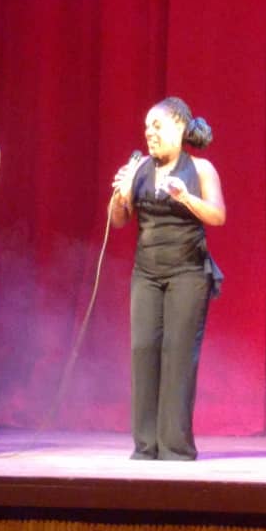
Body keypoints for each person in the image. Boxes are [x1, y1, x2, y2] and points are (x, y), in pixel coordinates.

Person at [110, 97, 225, 460]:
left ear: (179, 127)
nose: (150, 133)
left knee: (178, 355)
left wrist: (186, 197)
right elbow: (118, 220)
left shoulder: (201, 168)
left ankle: (174, 446)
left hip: (187, 272)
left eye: (157, 126)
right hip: (146, 272)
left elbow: (218, 216)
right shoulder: (140, 168)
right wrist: (122, 195)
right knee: (143, 350)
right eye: (147, 127)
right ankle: (146, 445)